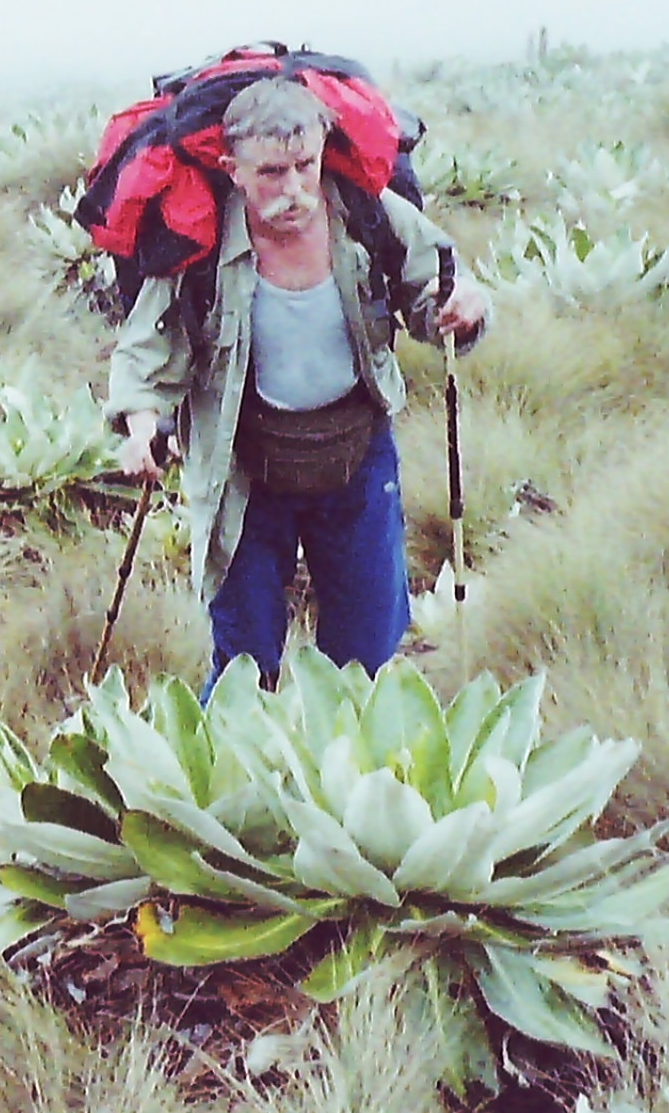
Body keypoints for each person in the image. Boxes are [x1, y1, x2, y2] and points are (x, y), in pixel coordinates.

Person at [103, 75, 490, 687]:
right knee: (244, 662)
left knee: (367, 651)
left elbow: (435, 287)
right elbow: (145, 353)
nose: (293, 189)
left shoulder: (367, 213)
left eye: (305, 165)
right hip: (245, 473)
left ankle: (353, 771)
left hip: (356, 461)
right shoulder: (199, 241)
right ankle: (234, 771)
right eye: (270, 173)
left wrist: (461, 307)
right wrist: (142, 426)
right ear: (232, 167)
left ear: (323, 147)